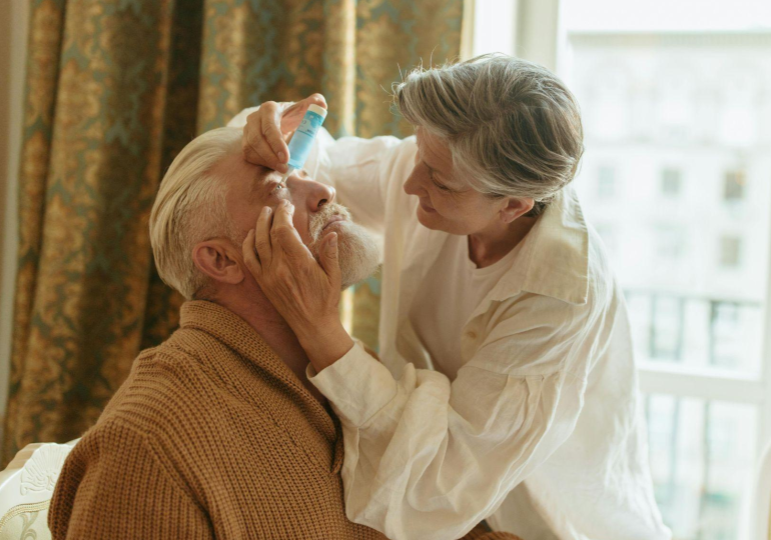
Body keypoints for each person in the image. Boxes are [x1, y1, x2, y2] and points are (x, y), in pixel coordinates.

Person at [233, 54, 671, 540]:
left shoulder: (561, 299)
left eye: (439, 181)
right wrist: (268, 130)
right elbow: (318, 166)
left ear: (513, 206)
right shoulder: (435, 167)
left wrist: (320, 329)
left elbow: (443, 481)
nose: (410, 183)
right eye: (421, 155)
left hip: (542, 523)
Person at [48, 127, 517, 540]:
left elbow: (442, 527)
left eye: (303, 175)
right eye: (278, 188)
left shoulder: (348, 372)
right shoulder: (148, 443)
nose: (324, 189)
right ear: (222, 260)